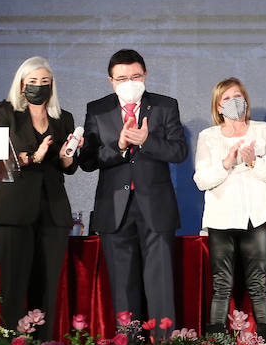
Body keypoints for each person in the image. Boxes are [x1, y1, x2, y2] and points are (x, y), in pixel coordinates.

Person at [80, 49, 188, 324]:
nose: (130, 82)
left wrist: (145, 140)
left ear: (146, 75)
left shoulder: (165, 105)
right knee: (123, 290)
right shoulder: (98, 109)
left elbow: (178, 152)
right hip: (114, 209)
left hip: (156, 206)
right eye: (122, 77)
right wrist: (119, 147)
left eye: (136, 76)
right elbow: (88, 161)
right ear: (111, 81)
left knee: (161, 287)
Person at [0, 56, 77, 339]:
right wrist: (30, 157)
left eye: (45, 82)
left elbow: (68, 166)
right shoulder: (6, 112)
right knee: (13, 287)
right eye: (33, 82)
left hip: (53, 211)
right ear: (22, 84)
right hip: (13, 212)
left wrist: (66, 155)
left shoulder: (64, 118)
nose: (39, 87)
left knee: (47, 288)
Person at [193, 78, 266, 342]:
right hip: (221, 219)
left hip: (256, 217)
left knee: (259, 284)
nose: (235, 103)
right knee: (221, 285)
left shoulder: (264, 130)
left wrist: (254, 162)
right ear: (218, 107)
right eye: (227, 99)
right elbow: (201, 180)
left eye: (239, 97)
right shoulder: (208, 137)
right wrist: (226, 163)